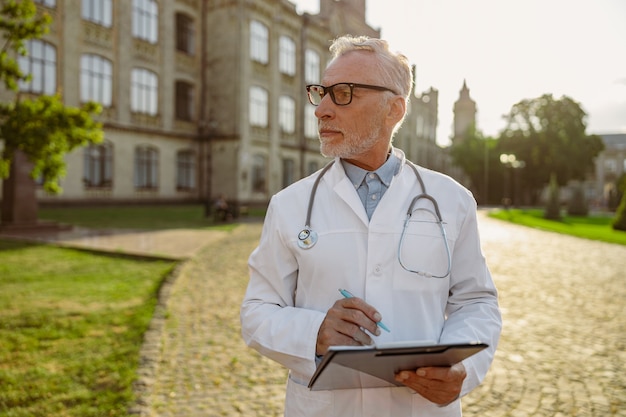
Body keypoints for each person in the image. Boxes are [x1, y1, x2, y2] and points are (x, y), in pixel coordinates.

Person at [240, 35, 502, 417]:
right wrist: (314, 332)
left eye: (343, 93)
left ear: (394, 109)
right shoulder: (289, 205)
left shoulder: (452, 200)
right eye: (321, 92)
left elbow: (476, 302)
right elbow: (257, 310)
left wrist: (463, 368)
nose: (322, 110)